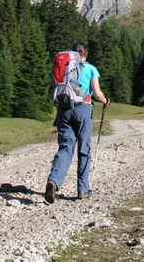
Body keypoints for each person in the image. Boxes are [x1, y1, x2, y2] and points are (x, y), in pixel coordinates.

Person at [45, 44, 109, 204]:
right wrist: (105, 100)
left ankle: (53, 181)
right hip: (83, 109)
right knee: (84, 149)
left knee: (66, 147)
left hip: (64, 109)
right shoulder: (90, 68)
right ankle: (83, 189)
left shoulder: (65, 67)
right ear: (85, 55)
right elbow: (98, 92)